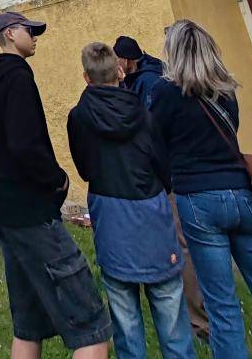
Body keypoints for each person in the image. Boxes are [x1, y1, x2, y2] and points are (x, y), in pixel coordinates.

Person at [151, 19, 252, 359]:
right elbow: (231, 133)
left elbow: (156, 145)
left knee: (221, 304)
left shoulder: (165, 92)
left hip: (199, 199)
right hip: (243, 194)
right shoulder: (225, 90)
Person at [0, 11, 111, 359]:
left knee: (28, 324)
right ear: (10, 34)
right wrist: (58, 179)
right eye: (29, 30)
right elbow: (24, 145)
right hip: (29, 207)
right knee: (91, 327)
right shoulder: (19, 77)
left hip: (4, 202)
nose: (35, 36)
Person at [68, 42, 195, 359]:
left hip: (110, 215)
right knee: (171, 317)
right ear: (120, 71)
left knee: (126, 323)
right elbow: (162, 166)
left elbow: (84, 169)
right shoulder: (142, 111)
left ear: (86, 77)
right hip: (150, 211)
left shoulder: (79, 117)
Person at [113, 35, 164, 109]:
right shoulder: (140, 73)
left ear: (126, 61)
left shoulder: (148, 80)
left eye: (116, 59)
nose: (114, 64)